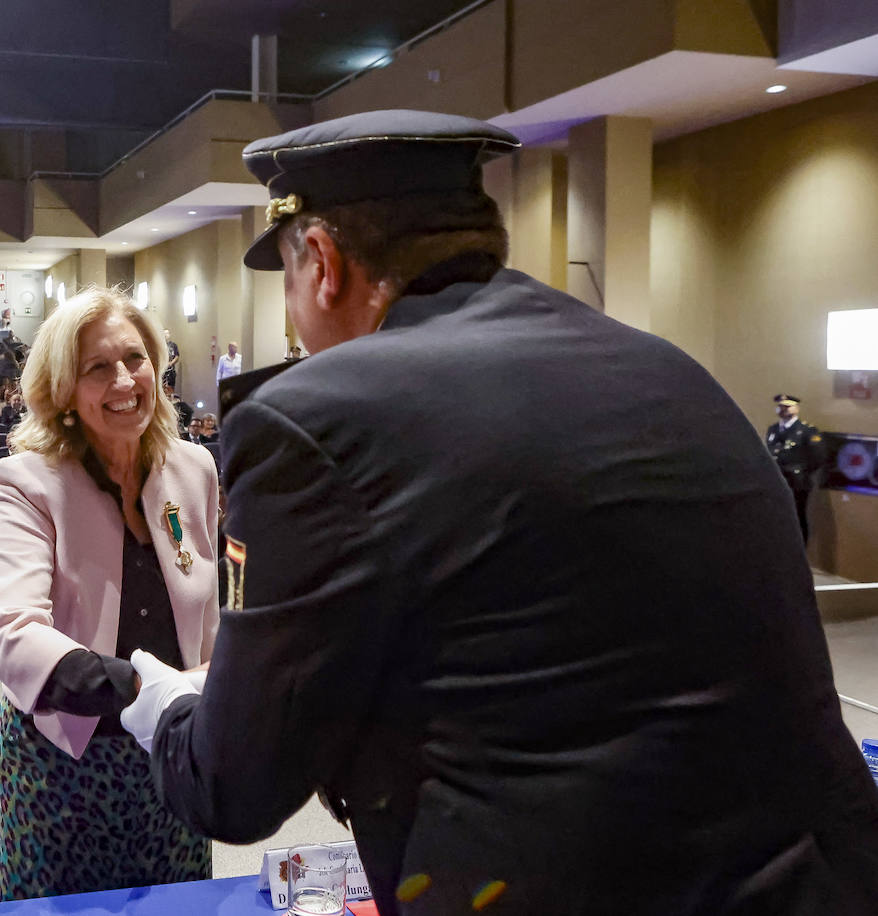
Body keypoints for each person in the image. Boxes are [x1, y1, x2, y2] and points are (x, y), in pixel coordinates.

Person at [119, 110, 878, 916]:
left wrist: (165, 705)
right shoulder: (667, 370)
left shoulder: (317, 414)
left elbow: (235, 785)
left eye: (289, 283)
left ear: (323, 261)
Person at [0, 287, 218, 902]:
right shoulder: (28, 481)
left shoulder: (194, 470)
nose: (124, 381)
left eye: (135, 359)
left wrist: (209, 689)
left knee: (176, 905)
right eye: (97, 368)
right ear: (63, 391)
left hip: (172, 751)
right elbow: (10, 630)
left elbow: (212, 608)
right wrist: (139, 687)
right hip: (65, 766)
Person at [765, 394, 826, 544]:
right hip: (777, 481)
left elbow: (818, 458)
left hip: (797, 483)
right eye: (780, 406)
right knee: (777, 517)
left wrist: (801, 472)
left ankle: (800, 554)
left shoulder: (806, 431)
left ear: (796, 409)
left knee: (797, 517)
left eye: (788, 406)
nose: (783, 409)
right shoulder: (773, 430)